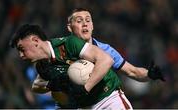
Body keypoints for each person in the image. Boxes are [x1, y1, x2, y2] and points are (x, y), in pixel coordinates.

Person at [29, 8, 165, 109]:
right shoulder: (60, 50)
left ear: (92, 26)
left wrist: (149, 74)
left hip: (106, 101)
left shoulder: (105, 50)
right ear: (69, 27)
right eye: (79, 21)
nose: (85, 24)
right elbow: (36, 85)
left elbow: (133, 71)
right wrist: (52, 84)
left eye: (88, 20)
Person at [10, 24, 132, 109]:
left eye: (21, 49)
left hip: (108, 99)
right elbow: (36, 86)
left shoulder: (69, 44)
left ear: (35, 41)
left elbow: (106, 60)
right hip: (84, 107)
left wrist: (85, 88)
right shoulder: (43, 65)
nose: (21, 55)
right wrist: (51, 84)